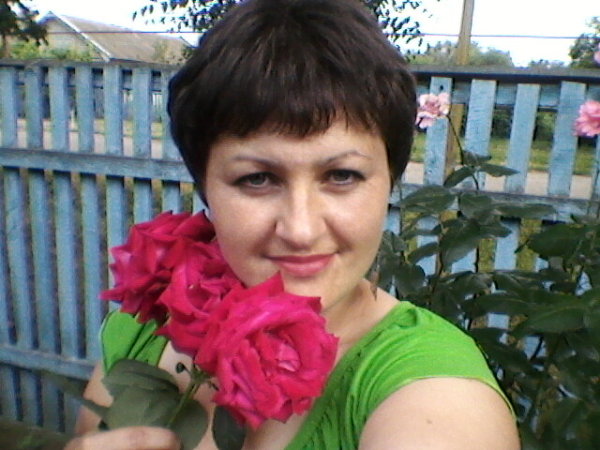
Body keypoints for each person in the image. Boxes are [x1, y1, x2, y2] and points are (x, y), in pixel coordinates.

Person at [66, 0, 520, 448]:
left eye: (342, 175)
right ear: (205, 187)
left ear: (390, 181)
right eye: (257, 179)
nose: (301, 231)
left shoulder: (438, 397)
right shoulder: (144, 328)